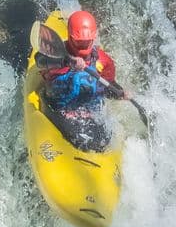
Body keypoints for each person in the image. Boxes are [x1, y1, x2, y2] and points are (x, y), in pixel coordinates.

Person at [34, 10, 128, 151]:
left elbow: (107, 86)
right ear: (70, 38)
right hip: (58, 109)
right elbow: (39, 60)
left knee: (102, 142)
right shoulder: (55, 54)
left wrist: (119, 93)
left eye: (86, 42)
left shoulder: (104, 60)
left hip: (90, 113)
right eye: (79, 42)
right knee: (78, 139)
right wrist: (68, 61)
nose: (82, 46)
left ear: (93, 38)